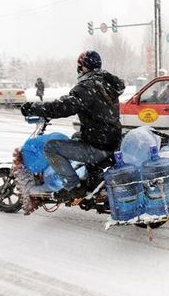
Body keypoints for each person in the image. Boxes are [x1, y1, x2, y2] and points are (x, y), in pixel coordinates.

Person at [20, 50, 125, 200]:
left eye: (79, 66)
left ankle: (74, 186)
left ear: (83, 68)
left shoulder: (87, 87)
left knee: (51, 147)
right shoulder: (106, 84)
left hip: (98, 146)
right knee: (76, 136)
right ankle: (92, 175)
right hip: (110, 139)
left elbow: (64, 107)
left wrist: (33, 108)